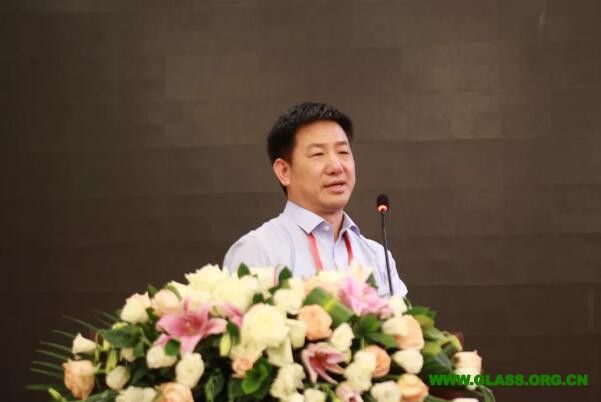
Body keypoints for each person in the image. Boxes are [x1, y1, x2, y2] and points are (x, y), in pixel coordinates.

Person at [223, 102, 407, 296]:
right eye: (318, 154)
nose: (336, 167)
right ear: (284, 171)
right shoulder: (257, 251)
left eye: (343, 152)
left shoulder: (377, 256)